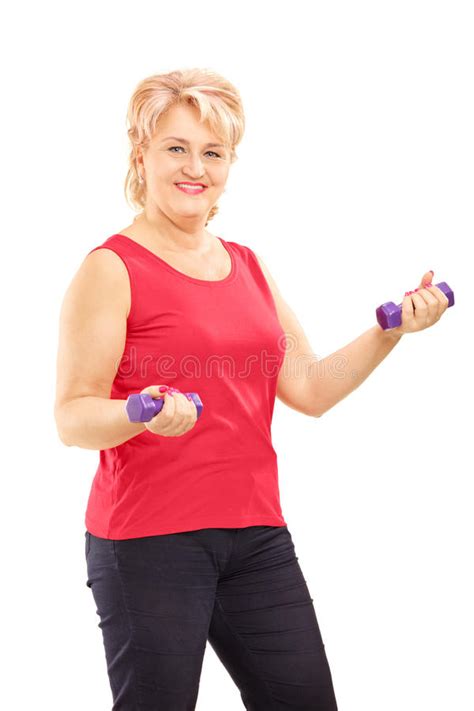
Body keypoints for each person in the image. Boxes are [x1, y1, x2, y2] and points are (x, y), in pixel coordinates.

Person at [54, 68, 449, 711]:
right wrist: (141, 411)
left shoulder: (248, 265)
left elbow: (313, 387)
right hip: (148, 543)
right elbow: (71, 416)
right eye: (176, 148)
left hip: (256, 536)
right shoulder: (111, 267)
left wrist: (392, 330)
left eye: (213, 153)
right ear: (141, 154)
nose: (195, 168)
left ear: (231, 164)